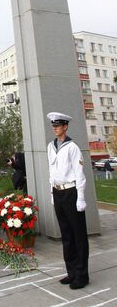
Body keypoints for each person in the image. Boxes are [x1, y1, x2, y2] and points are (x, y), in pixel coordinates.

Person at [47, 111, 89, 290]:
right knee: (66, 235)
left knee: (78, 235)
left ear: (65, 126)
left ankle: (82, 275)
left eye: (58, 125)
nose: (55, 128)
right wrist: (51, 192)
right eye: (53, 126)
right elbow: (51, 170)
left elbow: (80, 175)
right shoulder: (51, 146)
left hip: (71, 192)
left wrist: (80, 197)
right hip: (58, 192)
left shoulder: (73, 147)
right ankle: (71, 272)